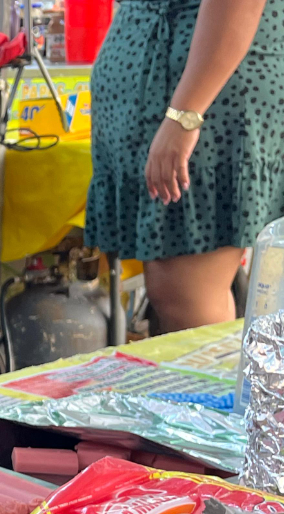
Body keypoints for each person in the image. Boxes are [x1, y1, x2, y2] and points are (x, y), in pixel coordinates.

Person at [87, 0, 284, 332]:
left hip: (206, 101)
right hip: (168, 101)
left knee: (185, 295)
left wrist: (185, 114)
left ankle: (216, 385)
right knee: (178, 295)